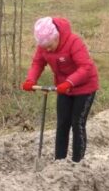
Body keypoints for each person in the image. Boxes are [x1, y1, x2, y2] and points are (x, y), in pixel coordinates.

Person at [21, 16, 99, 163]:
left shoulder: (73, 42)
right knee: (62, 123)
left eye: (50, 46)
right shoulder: (43, 47)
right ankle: (59, 161)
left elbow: (86, 67)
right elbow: (37, 63)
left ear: (56, 37)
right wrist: (31, 80)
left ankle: (78, 162)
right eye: (45, 47)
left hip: (85, 86)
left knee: (77, 123)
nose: (48, 50)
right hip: (63, 88)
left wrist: (70, 82)